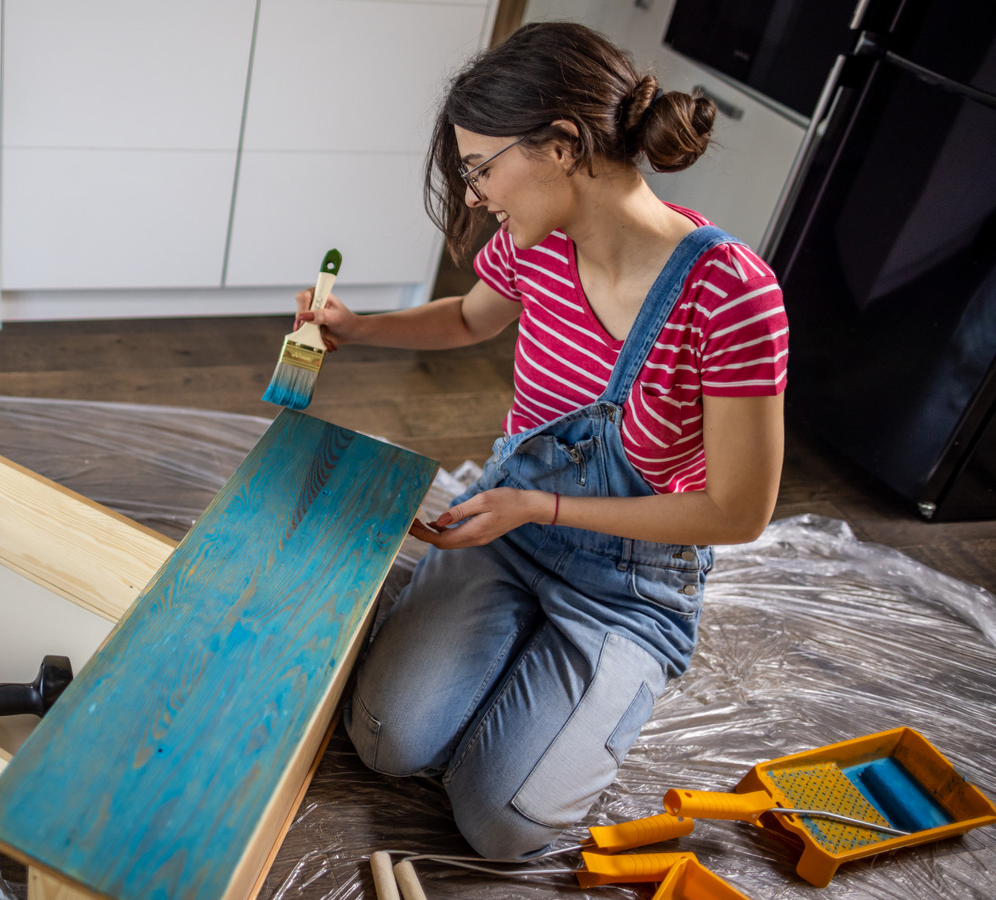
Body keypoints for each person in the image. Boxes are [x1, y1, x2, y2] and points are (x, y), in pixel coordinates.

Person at [295, 22, 788, 859]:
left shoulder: (731, 295)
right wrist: (356, 328)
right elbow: (465, 316)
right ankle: (510, 655)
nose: (478, 192)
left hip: (629, 584)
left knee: (503, 824)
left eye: (483, 167)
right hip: (509, 536)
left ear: (561, 145)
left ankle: (580, 676)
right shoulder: (536, 243)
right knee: (387, 740)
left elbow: (738, 512)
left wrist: (542, 503)